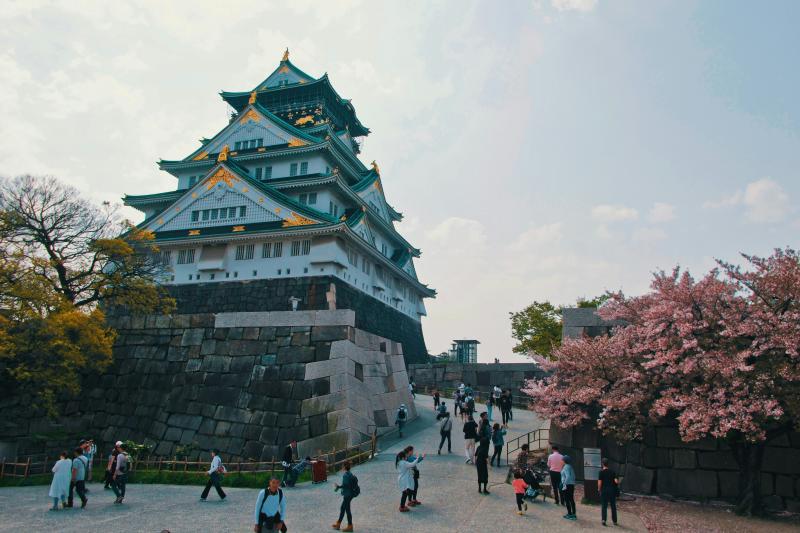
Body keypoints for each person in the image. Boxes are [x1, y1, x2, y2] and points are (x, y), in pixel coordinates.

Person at [332, 460, 358, 531]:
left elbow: (345, 486)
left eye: (342, 466)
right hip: (350, 494)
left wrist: (338, 486)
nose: (342, 467)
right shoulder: (350, 473)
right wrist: (340, 486)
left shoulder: (345, 475)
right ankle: (338, 524)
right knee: (343, 508)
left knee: (347, 510)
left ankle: (350, 526)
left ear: (344, 467)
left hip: (347, 495)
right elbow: (347, 485)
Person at [598, 458, 619, 526]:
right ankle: (615, 521)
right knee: (613, 506)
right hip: (612, 491)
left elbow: (600, 483)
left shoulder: (601, 472)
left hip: (604, 490)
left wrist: (599, 489)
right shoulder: (613, 472)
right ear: (608, 464)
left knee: (604, 505)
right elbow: (616, 481)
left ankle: (604, 520)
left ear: (602, 464)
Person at [560, 455, 576, 521]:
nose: (561, 461)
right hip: (571, 485)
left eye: (562, 460)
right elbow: (573, 476)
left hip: (567, 485)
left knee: (567, 500)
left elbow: (568, 476)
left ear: (564, 461)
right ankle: (573, 514)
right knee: (571, 499)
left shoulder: (566, 467)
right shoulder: (570, 466)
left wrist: (564, 484)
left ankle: (569, 514)